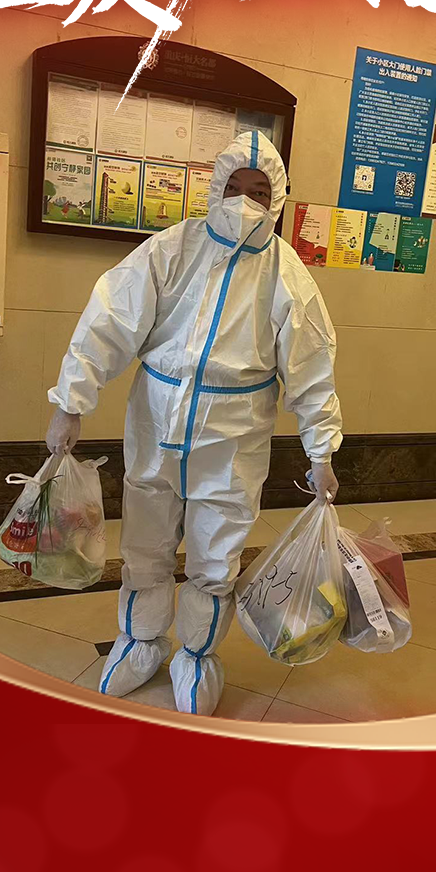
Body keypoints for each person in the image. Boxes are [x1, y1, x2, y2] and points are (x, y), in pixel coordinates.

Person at [46, 130, 342, 716]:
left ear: (277, 199)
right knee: (145, 540)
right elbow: (109, 321)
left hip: (235, 433)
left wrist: (321, 451)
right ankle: (140, 641)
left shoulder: (286, 275)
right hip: (157, 416)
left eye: (259, 192)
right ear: (215, 187)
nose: (244, 201)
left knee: (216, 551)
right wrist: (70, 402)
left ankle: (198, 655)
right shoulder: (172, 248)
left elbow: (312, 368)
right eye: (234, 187)